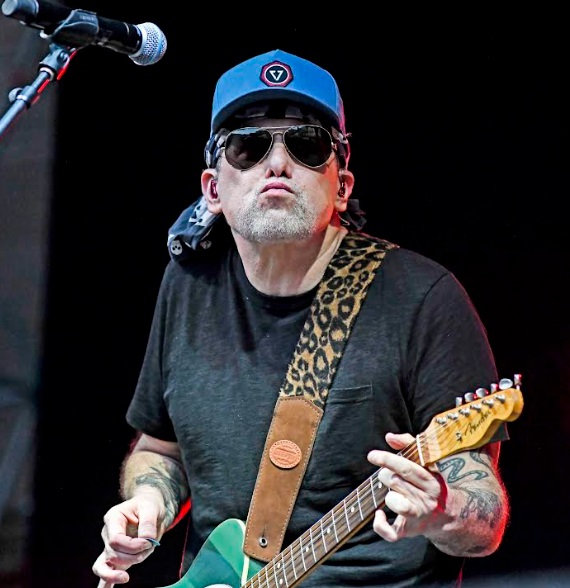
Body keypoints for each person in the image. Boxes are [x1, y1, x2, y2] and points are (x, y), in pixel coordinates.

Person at [92, 49, 511, 588]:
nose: (277, 164)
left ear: (342, 185)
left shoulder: (422, 298)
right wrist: (147, 504)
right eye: (248, 146)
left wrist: (442, 510)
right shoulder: (188, 286)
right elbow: (159, 449)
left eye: (307, 145)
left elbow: (485, 520)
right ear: (213, 189)